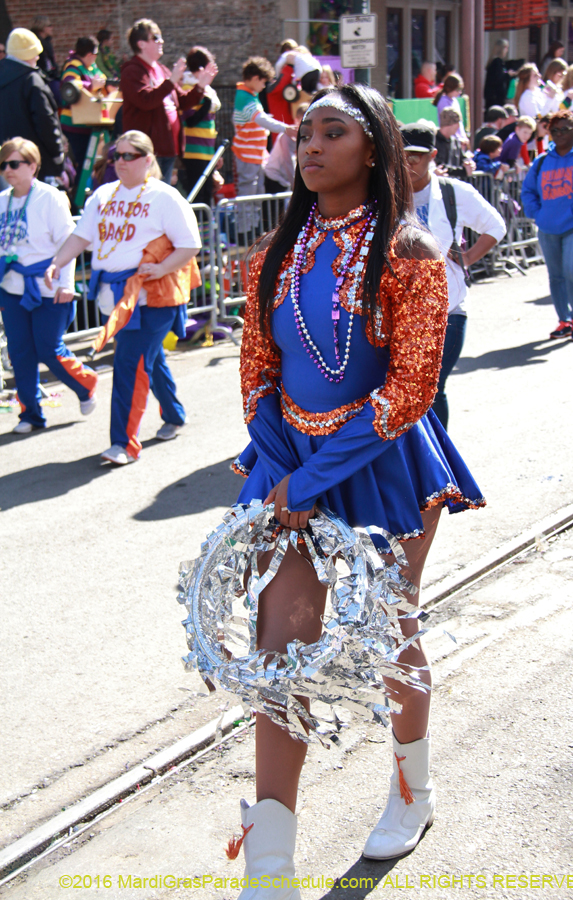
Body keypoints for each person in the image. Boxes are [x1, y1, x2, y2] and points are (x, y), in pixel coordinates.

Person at [221, 85, 486, 895]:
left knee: (388, 626)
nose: (309, 146)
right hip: (291, 460)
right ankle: (269, 866)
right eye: (303, 134)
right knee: (281, 652)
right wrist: (278, 469)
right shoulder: (274, 251)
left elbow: (411, 389)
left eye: (332, 132)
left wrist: (313, 478)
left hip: (384, 460)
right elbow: (256, 372)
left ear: (372, 148)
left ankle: (414, 792)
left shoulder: (411, 254)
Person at [45, 131, 202, 463]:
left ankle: (123, 444)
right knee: (150, 358)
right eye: (117, 155)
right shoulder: (102, 195)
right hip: (114, 297)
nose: (120, 161)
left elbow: (190, 244)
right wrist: (56, 263)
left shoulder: (165, 197)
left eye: (130, 156)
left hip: (153, 298)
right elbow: (81, 237)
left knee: (130, 364)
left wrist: (162, 269)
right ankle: (174, 415)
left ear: (148, 160)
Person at [400, 121, 506, 429]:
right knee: (405, 390)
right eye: (402, 155)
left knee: (432, 388)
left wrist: (468, 259)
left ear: (433, 155)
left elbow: (495, 226)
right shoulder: (388, 194)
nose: (408, 163)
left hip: (449, 306)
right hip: (404, 310)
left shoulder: (454, 192)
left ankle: (439, 462)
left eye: (415, 156)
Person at [0, 138, 98, 434]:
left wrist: (66, 284)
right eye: (3, 165)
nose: (8, 170)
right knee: (20, 352)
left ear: (32, 166)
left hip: (48, 284)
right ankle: (30, 414)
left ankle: (85, 384)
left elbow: (68, 242)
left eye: (14, 164)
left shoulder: (51, 197)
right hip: (12, 286)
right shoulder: (2, 199)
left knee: (47, 348)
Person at [521, 109, 573, 342]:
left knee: (572, 271)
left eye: (564, 130)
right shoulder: (542, 160)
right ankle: (563, 321)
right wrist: (538, 214)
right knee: (556, 276)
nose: (558, 135)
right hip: (548, 227)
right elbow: (528, 191)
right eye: (553, 131)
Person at [120, 19, 218, 185]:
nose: (162, 41)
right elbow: (146, 101)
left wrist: (200, 86)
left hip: (167, 148)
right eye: (156, 38)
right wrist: (171, 80)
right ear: (142, 44)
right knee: (148, 196)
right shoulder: (132, 71)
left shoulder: (162, 69)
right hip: (146, 150)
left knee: (160, 196)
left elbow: (182, 101)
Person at [232, 57, 298, 241]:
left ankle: (251, 231)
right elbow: (261, 120)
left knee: (256, 194)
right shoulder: (245, 97)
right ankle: (245, 233)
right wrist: (285, 128)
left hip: (255, 155)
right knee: (248, 194)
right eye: (263, 81)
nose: (264, 85)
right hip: (247, 155)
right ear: (254, 77)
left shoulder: (249, 97)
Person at [0, 29, 65, 182]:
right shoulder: (32, 81)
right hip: (31, 161)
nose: (37, 57)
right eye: (34, 53)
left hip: (4, 160)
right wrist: (57, 153)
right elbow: (45, 121)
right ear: (26, 54)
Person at [60, 37, 107, 183]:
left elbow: (102, 79)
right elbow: (69, 87)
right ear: (89, 55)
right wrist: (90, 86)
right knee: (83, 162)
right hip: (75, 124)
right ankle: (78, 197)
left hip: (90, 121)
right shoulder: (73, 67)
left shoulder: (91, 67)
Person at [180, 46, 221, 206]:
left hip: (207, 151)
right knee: (198, 199)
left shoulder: (208, 91)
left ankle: (206, 232)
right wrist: (207, 104)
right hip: (194, 151)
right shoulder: (188, 89)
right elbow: (190, 120)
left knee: (207, 198)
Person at [434, 108, 475, 180]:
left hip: (453, 185)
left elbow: (463, 159)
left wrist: (469, 164)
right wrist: (463, 172)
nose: (458, 127)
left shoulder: (455, 141)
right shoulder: (434, 141)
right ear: (454, 124)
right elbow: (438, 166)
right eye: (458, 123)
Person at [433, 74, 467, 144]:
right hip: (450, 140)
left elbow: (459, 122)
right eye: (458, 89)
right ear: (450, 88)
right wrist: (458, 138)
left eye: (461, 90)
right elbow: (448, 123)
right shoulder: (443, 102)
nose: (459, 92)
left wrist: (463, 137)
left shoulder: (455, 101)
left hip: (459, 140)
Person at [484, 39, 511, 108]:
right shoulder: (496, 62)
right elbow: (498, 78)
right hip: (495, 97)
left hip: (494, 96)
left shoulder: (495, 61)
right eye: (506, 48)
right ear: (502, 49)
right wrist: (508, 75)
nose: (507, 51)